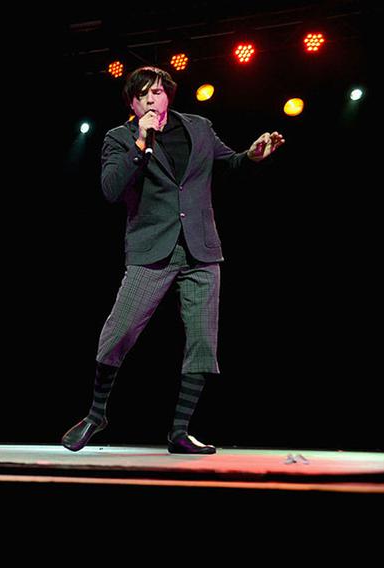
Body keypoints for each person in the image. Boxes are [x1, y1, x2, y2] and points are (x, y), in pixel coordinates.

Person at [61, 67, 284, 454]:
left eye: (159, 92)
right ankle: (97, 414)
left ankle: (180, 432)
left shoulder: (198, 127)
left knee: (202, 342)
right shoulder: (119, 138)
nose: (152, 99)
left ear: (169, 97)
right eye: (144, 94)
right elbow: (111, 190)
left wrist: (250, 156)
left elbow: (228, 165)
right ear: (132, 103)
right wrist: (140, 142)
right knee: (118, 333)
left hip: (201, 249)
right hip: (152, 251)